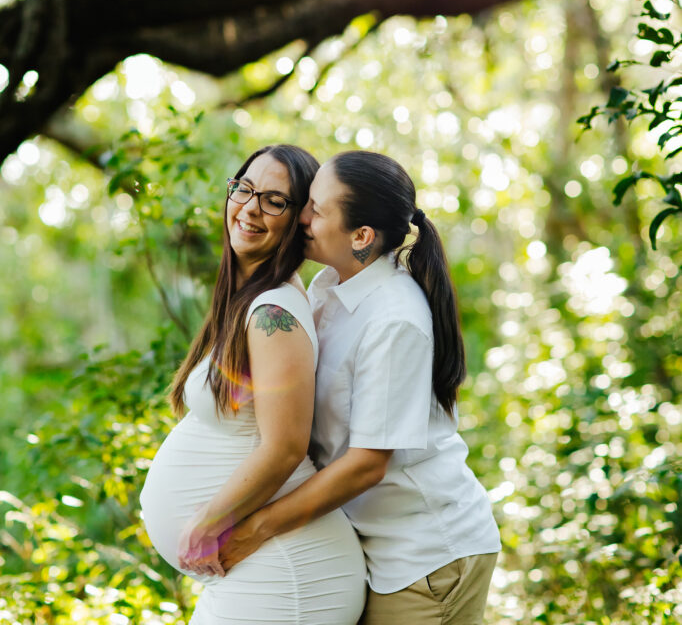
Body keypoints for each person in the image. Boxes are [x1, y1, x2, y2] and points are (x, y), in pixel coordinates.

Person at [219, 150, 501, 625]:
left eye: (316, 209)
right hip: (372, 549)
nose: (301, 216)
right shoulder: (329, 283)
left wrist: (256, 529)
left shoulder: (395, 318)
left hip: (425, 558)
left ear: (362, 236)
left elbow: (367, 464)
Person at [140, 144, 366, 625]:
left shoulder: (272, 314)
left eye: (274, 200)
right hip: (261, 570)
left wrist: (208, 524)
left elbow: (286, 447)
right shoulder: (249, 302)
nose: (250, 208)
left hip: (290, 574)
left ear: (298, 219)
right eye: (244, 189)